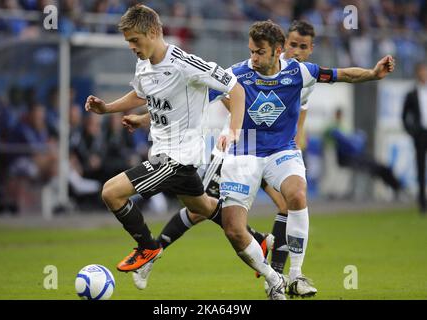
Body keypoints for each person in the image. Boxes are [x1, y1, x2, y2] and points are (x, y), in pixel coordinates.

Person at [125, 20, 396, 300]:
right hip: (244, 153)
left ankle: (293, 276)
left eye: (259, 52)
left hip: (280, 152)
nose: (253, 57)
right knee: (214, 218)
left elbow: (343, 75)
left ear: (278, 51)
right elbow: (190, 101)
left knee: (295, 196)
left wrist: (374, 74)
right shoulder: (237, 75)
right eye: (251, 51)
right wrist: (144, 118)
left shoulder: (300, 73)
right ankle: (267, 273)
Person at [85, 4, 245, 274]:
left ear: (153, 32)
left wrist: (234, 130)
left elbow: (236, 88)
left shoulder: (186, 64)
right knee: (202, 205)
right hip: (162, 151)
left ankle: (148, 246)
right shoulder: (144, 64)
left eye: (134, 40)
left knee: (111, 193)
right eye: (128, 42)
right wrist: (108, 108)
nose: (132, 47)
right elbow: (141, 94)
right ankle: (257, 241)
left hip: (179, 157)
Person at [325, 108, 403, 199]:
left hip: (359, 158)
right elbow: (347, 141)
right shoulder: (333, 128)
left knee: (383, 168)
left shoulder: (343, 128)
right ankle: (397, 188)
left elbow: (352, 142)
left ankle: (397, 187)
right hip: (354, 159)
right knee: (381, 169)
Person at [402, 63, 427, 214]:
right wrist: (412, 132)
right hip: (421, 134)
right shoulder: (412, 94)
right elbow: (404, 116)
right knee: (420, 168)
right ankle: (422, 203)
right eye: (422, 72)